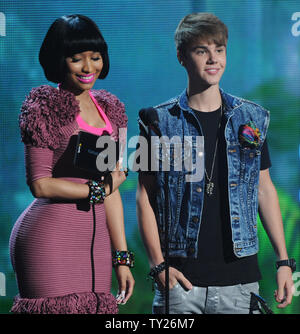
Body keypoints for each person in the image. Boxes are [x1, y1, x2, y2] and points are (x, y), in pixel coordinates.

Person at [136, 13, 295, 314]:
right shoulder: (159, 122)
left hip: (239, 284)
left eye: (219, 50)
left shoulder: (251, 118)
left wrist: (284, 261)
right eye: (201, 51)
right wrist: (158, 266)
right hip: (180, 286)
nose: (213, 59)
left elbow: (264, 189)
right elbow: (146, 195)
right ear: (182, 57)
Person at [9, 14, 134, 314]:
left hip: (96, 247)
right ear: (58, 59)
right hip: (48, 241)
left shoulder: (112, 111)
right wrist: (98, 191)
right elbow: (40, 184)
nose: (88, 68)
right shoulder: (44, 107)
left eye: (95, 57)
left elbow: (112, 189)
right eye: (76, 59)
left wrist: (121, 258)